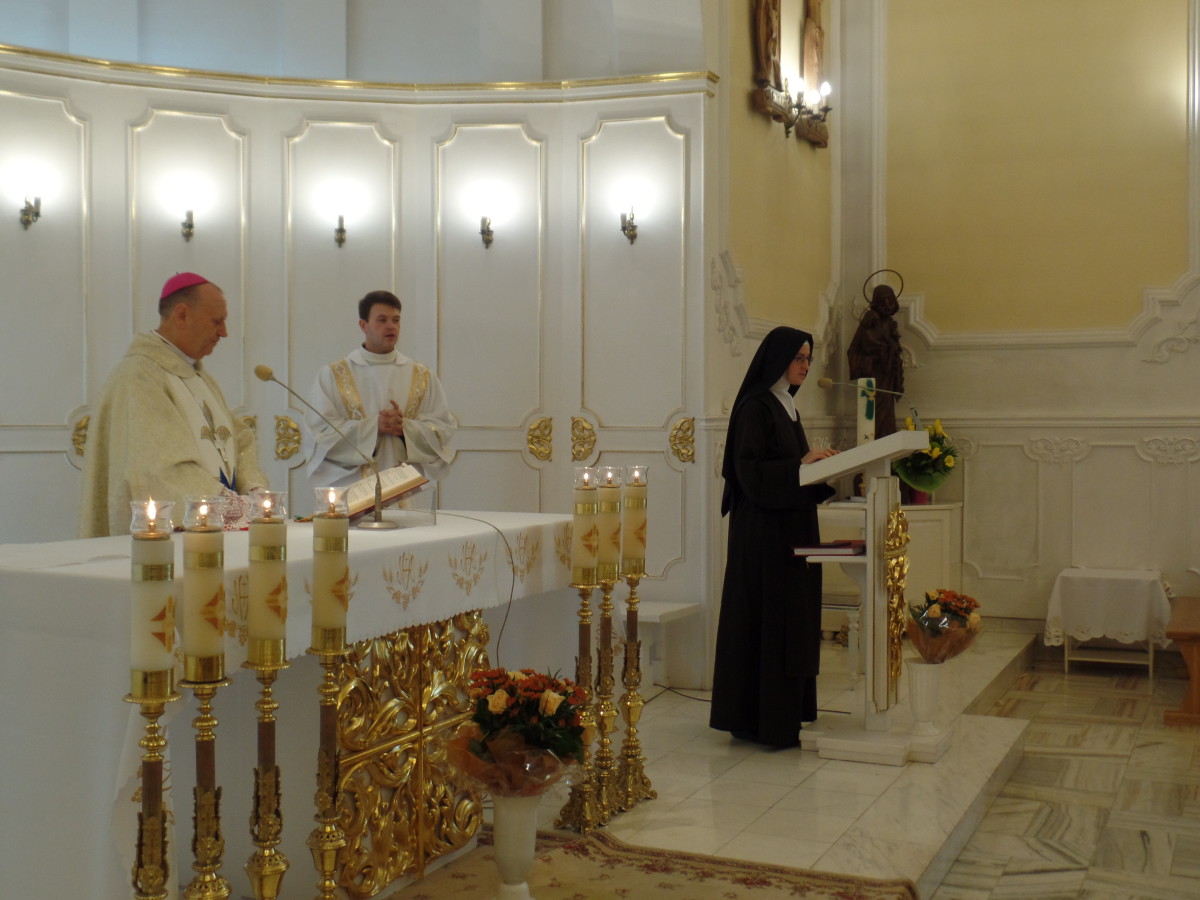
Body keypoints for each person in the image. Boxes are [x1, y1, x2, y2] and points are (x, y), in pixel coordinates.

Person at [709, 326, 838, 748]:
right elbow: (750, 472)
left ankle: (785, 715)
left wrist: (817, 468)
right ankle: (758, 720)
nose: (805, 365)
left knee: (792, 620)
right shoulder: (755, 407)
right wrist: (802, 465)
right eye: (799, 357)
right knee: (766, 621)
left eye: (808, 358)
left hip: (788, 527)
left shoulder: (787, 405)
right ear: (778, 359)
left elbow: (790, 467)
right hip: (762, 537)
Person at [79, 272, 269, 537]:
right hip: (171, 540)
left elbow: (238, 440)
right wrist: (232, 508)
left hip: (220, 533)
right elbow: (157, 467)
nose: (224, 333)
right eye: (217, 321)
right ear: (182, 315)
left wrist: (254, 490)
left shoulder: (198, 377)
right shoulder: (138, 376)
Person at [304, 290, 455, 489]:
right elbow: (319, 434)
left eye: (396, 320)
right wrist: (374, 427)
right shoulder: (333, 375)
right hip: (353, 489)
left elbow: (443, 429)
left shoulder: (422, 375)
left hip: (407, 490)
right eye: (382, 320)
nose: (391, 326)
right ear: (363, 325)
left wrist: (405, 429)